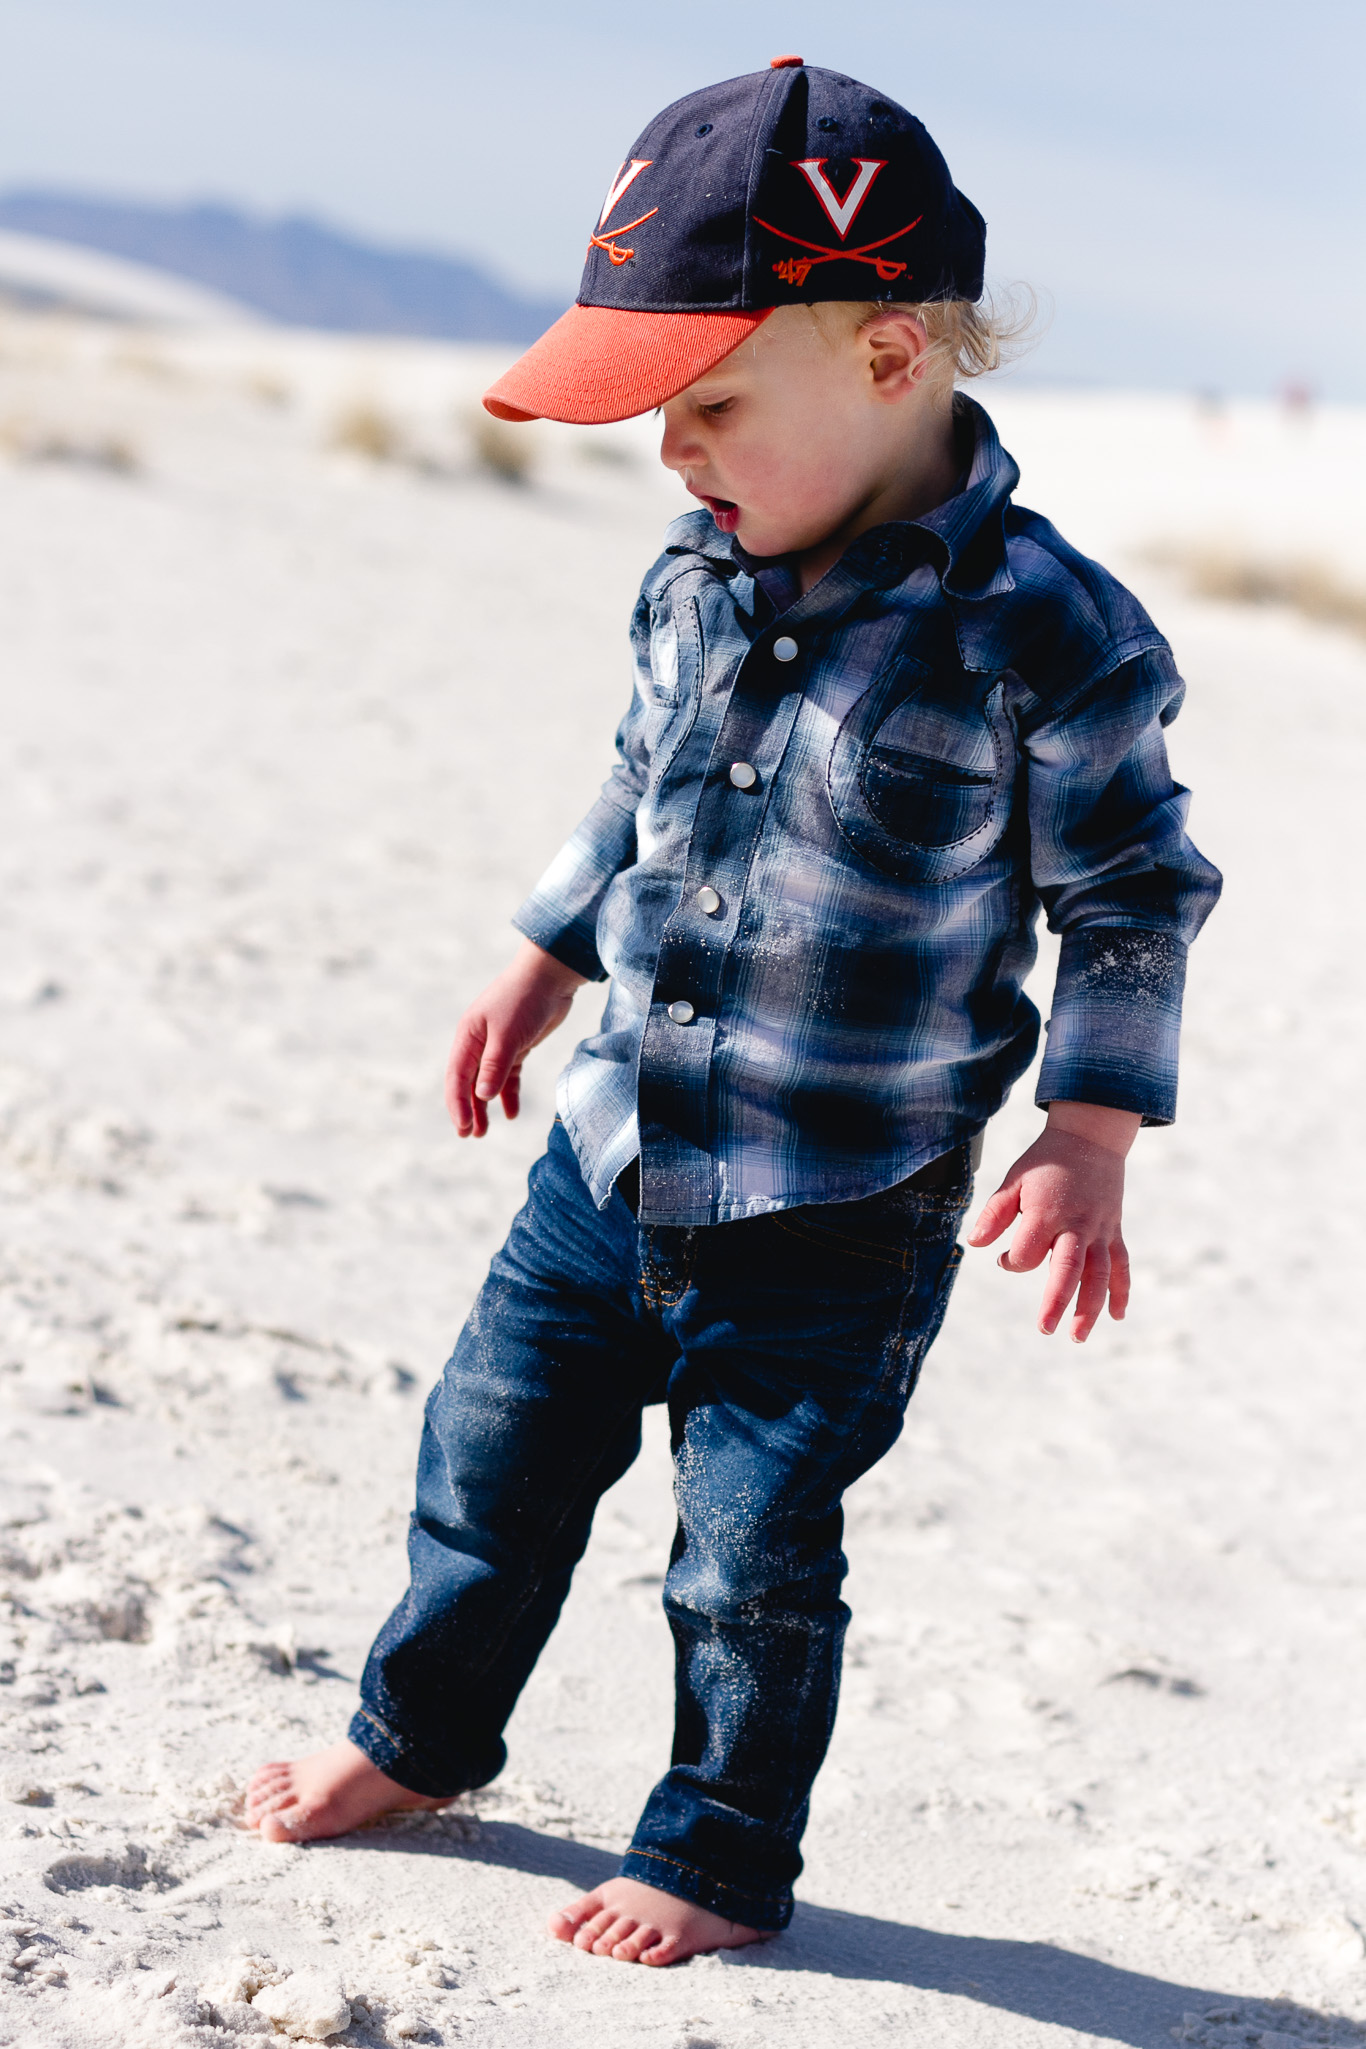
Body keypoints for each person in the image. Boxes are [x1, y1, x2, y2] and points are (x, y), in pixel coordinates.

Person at [246, 57, 1221, 1966]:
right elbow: (636, 781)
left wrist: (1091, 1126)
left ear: (885, 361)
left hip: (838, 1209)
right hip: (611, 1147)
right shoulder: (693, 570)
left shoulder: (1049, 631)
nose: (672, 454)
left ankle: (711, 1847)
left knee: (749, 1561)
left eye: (703, 404)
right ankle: (419, 1735)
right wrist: (545, 952)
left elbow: (1127, 892)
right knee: (486, 1460)